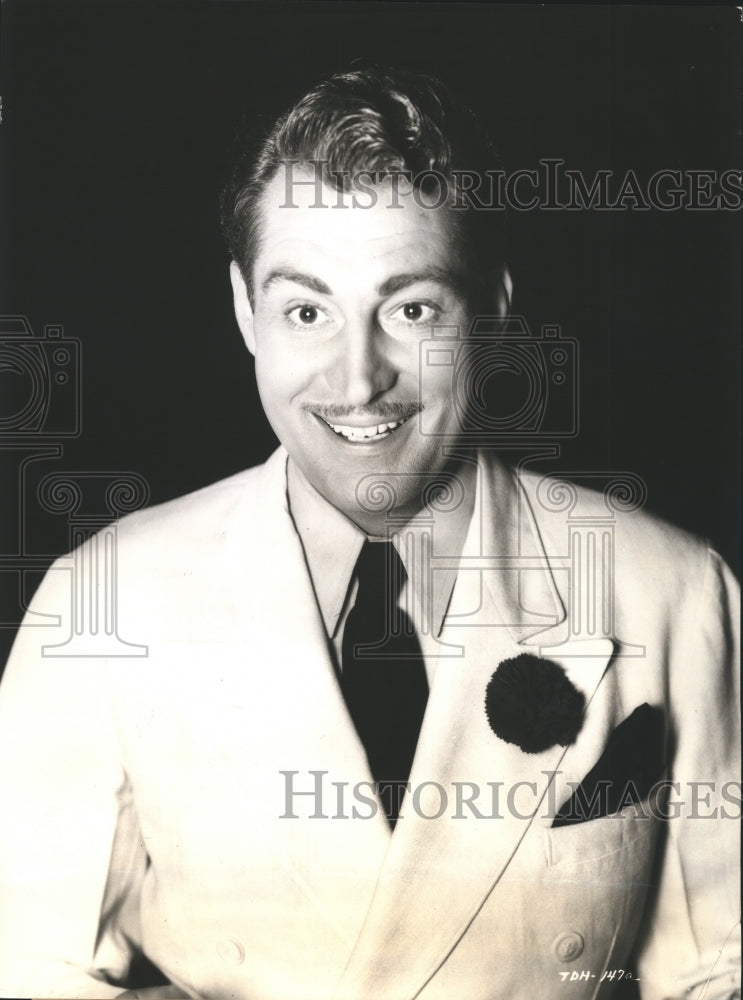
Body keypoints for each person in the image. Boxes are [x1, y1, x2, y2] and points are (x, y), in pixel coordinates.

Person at [0, 66, 739, 1000]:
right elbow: (29, 965)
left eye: (411, 308)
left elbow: (722, 965)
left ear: (494, 309)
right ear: (244, 313)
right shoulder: (100, 601)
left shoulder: (672, 588)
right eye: (306, 311)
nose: (357, 381)